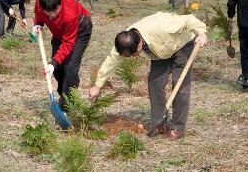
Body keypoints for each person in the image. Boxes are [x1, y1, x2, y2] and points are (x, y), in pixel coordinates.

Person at [89, 12, 208, 140]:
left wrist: (202, 33)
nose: (129, 58)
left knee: (180, 84)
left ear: (139, 45)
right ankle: (159, 123)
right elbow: (112, 60)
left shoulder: (163, 26)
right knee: (155, 83)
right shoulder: (125, 41)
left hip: (182, 44)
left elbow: (188, 19)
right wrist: (97, 85)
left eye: (131, 55)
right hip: (159, 51)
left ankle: (177, 127)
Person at [32, 0, 92, 111]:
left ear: (60, 4)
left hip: (81, 29)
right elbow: (38, 13)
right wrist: (38, 23)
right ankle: (63, 95)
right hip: (59, 33)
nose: (52, 15)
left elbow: (68, 43)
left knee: (70, 68)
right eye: (48, 12)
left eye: (55, 10)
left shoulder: (70, 12)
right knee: (57, 69)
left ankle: (66, 106)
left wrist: (53, 63)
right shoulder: (40, 0)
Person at [228, 0, 248, 89]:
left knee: (246, 51)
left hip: (244, 24)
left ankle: (247, 78)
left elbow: (232, 1)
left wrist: (230, 16)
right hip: (244, 23)